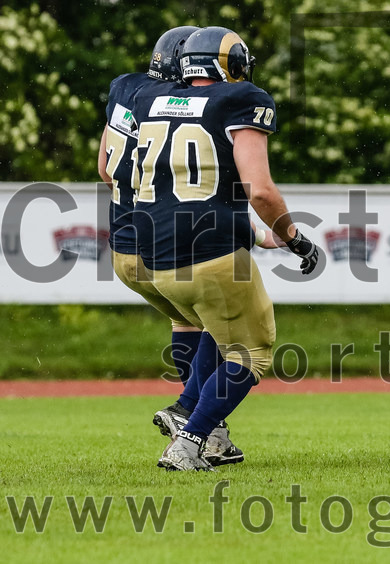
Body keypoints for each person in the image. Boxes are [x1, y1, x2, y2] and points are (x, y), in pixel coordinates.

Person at [133, 26, 319, 471]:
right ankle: (191, 439)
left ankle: (186, 411)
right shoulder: (240, 100)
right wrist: (293, 236)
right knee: (251, 352)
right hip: (212, 250)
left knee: (216, 333)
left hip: (154, 253)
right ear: (231, 64)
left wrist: (256, 234)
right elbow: (261, 192)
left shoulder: (152, 99)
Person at [98, 25, 259, 466]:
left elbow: (105, 170)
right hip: (166, 238)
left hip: (124, 241)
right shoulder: (176, 102)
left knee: (196, 323)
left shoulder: (127, 89)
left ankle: (212, 432)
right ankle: (188, 412)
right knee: (231, 331)